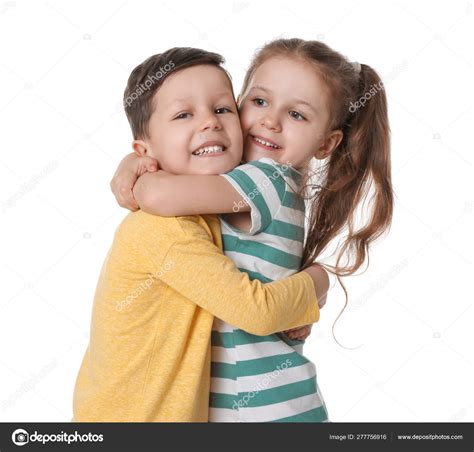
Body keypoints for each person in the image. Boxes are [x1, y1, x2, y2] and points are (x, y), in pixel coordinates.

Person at [111, 38, 393, 422]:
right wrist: (141, 156)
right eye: (259, 102)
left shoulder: (267, 178)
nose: (270, 121)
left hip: (262, 409)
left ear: (326, 143)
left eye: (297, 115)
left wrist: (137, 171)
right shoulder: (253, 180)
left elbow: (160, 196)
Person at [73, 47, 329, 423]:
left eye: (223, 109)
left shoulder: (219, 199)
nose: (210, 122)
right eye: (183, 114)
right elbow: (257, 310)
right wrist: (320, 279)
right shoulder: (164, 228)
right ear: (147, 151)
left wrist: (136, 168)